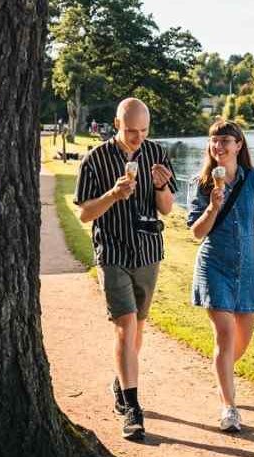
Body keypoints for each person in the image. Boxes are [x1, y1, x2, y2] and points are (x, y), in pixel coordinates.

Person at [74, 97, 177, 441]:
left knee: (139, 330)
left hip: (148, 251)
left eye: (144, 130)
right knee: (125, 326)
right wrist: (112, 195)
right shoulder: (95, 159)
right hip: (113, 252)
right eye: (131, 131)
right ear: (117, 123)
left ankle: (121, 383)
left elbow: (167, 209)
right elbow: (85, 214)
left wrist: (161, 187)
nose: (137, 137)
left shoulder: (157, 153)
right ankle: (133, 409)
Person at [187, 120, 254, 433]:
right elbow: (196, 233)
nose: (219, 146)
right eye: (214, 140)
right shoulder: (199, 183)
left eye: (226, 140)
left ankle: (221, 370)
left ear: (239, 145)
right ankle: (229, 408)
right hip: (214, 265)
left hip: (249, 269)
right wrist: (213, 207)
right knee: (225, 337)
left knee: (241, 342)